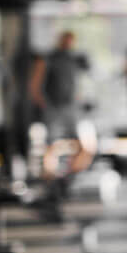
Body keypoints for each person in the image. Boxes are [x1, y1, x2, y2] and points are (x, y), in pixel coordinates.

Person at [29, 31, 94, 178]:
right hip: (53, 107)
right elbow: (35, 84)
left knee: (82, 145)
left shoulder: (72, 60)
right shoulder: (49, 59)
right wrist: (44, 104)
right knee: (51, 144)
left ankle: (71, 175)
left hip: (70, 107)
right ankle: (50, 177)